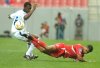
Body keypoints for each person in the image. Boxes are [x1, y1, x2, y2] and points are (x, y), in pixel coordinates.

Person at [27, 35, 93, 62]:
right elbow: (79, 58)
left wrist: (77, 60)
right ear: (85, 47)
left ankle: (33, 42)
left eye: (87, 52)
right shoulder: (80, 47)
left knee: (43, 50)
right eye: (86, 50)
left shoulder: (82, 54)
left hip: (60, 54)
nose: (85, 52)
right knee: (47, 48)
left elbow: (77, 59)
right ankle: (33, 38)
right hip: (62, 47)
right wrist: (86, 61)